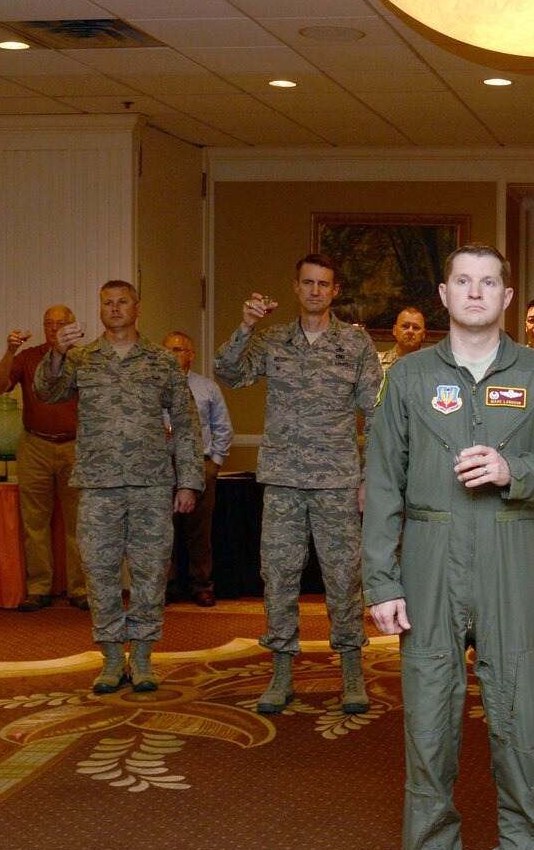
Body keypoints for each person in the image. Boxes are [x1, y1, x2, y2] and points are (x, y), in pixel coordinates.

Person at [363, 245, 534, 850]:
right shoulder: (405, 379)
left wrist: (512, 468)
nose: (474, 291)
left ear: (505, 295)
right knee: (430, 721)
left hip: (509, 548)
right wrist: (381, 578)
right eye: (462, 280)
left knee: (518, 717)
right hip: (430, 557)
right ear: (444, 293)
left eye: (487, 282)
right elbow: (380, 485)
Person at [215, 254, 382, 714]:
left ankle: (351, 674)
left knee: (344, 578)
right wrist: (245, 326)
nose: (314, 291)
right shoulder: (272, 340)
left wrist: (370, 479)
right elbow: (228, 372)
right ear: (295, 288)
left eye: (323, 284)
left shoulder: (355, 344)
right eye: (307, 283)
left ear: (335, 290)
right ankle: (282, 675)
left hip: (337, 482)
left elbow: (378, 415)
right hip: (284, 481)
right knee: (279, 577)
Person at [36, 282, 203, 693]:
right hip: (98, 484)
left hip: (150, 484)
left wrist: (189, 482)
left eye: (122, 302)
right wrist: (56, 351)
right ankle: (112, 658)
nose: (114, 309)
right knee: (100, 572)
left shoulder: (162, 361)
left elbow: (185, 423)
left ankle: (143, 658)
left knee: (150, 572)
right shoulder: (81, 359)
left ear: (137, 308)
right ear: (99, 310)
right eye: (107, 303)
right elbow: (47, 391)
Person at [0, 306, 88, 612]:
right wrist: (9, 352)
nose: (55, 328)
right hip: (34, 444)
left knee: (80, 524)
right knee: (34, 523)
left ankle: (81, 589)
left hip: (76, 446)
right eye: (49, 323)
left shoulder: (85, 359)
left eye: (61, 323)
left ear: (72, 326)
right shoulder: (29, 357)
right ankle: (39, 588)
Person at [164, 331, 232, 608]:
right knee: (162, 531)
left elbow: (223, 428)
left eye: (178, 350)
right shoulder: (151, 386)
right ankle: (165, 587)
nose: (173, 355)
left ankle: (201, 585)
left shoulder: (207, 388)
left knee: (199, 532)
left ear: (191, 355)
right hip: (161, 467)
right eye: (168, 350)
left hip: (199, 465)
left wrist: (214, 464)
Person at [380, 305, 428, 371]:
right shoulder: (376, 362)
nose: (410, 331)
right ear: (395, 330)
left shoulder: (436, 364)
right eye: (405, 326)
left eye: (416, 328)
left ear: (423, 334)